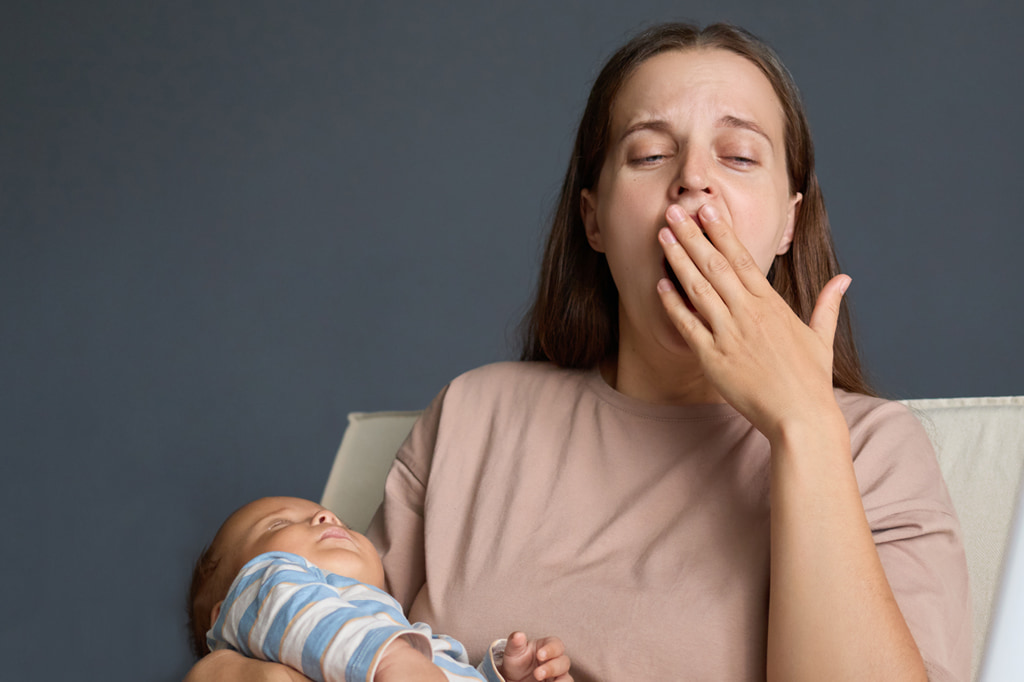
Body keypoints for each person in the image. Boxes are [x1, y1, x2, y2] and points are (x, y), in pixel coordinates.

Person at [185, 21, 971, 682]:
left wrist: (802, 424)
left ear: (788, 223)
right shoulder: (474, 417)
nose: (693, 183)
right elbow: (301, 629)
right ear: (594, 221)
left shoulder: (870, 450)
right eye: (649, 154)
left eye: (738, 157)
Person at [186, 496, 572, 682]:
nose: (326, 515)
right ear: (228, 615)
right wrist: (389, 662)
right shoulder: (265, 589)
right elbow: (288, 607)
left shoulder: (410, 636)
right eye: (275, 526)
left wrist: (505, 675)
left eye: (337, 517)